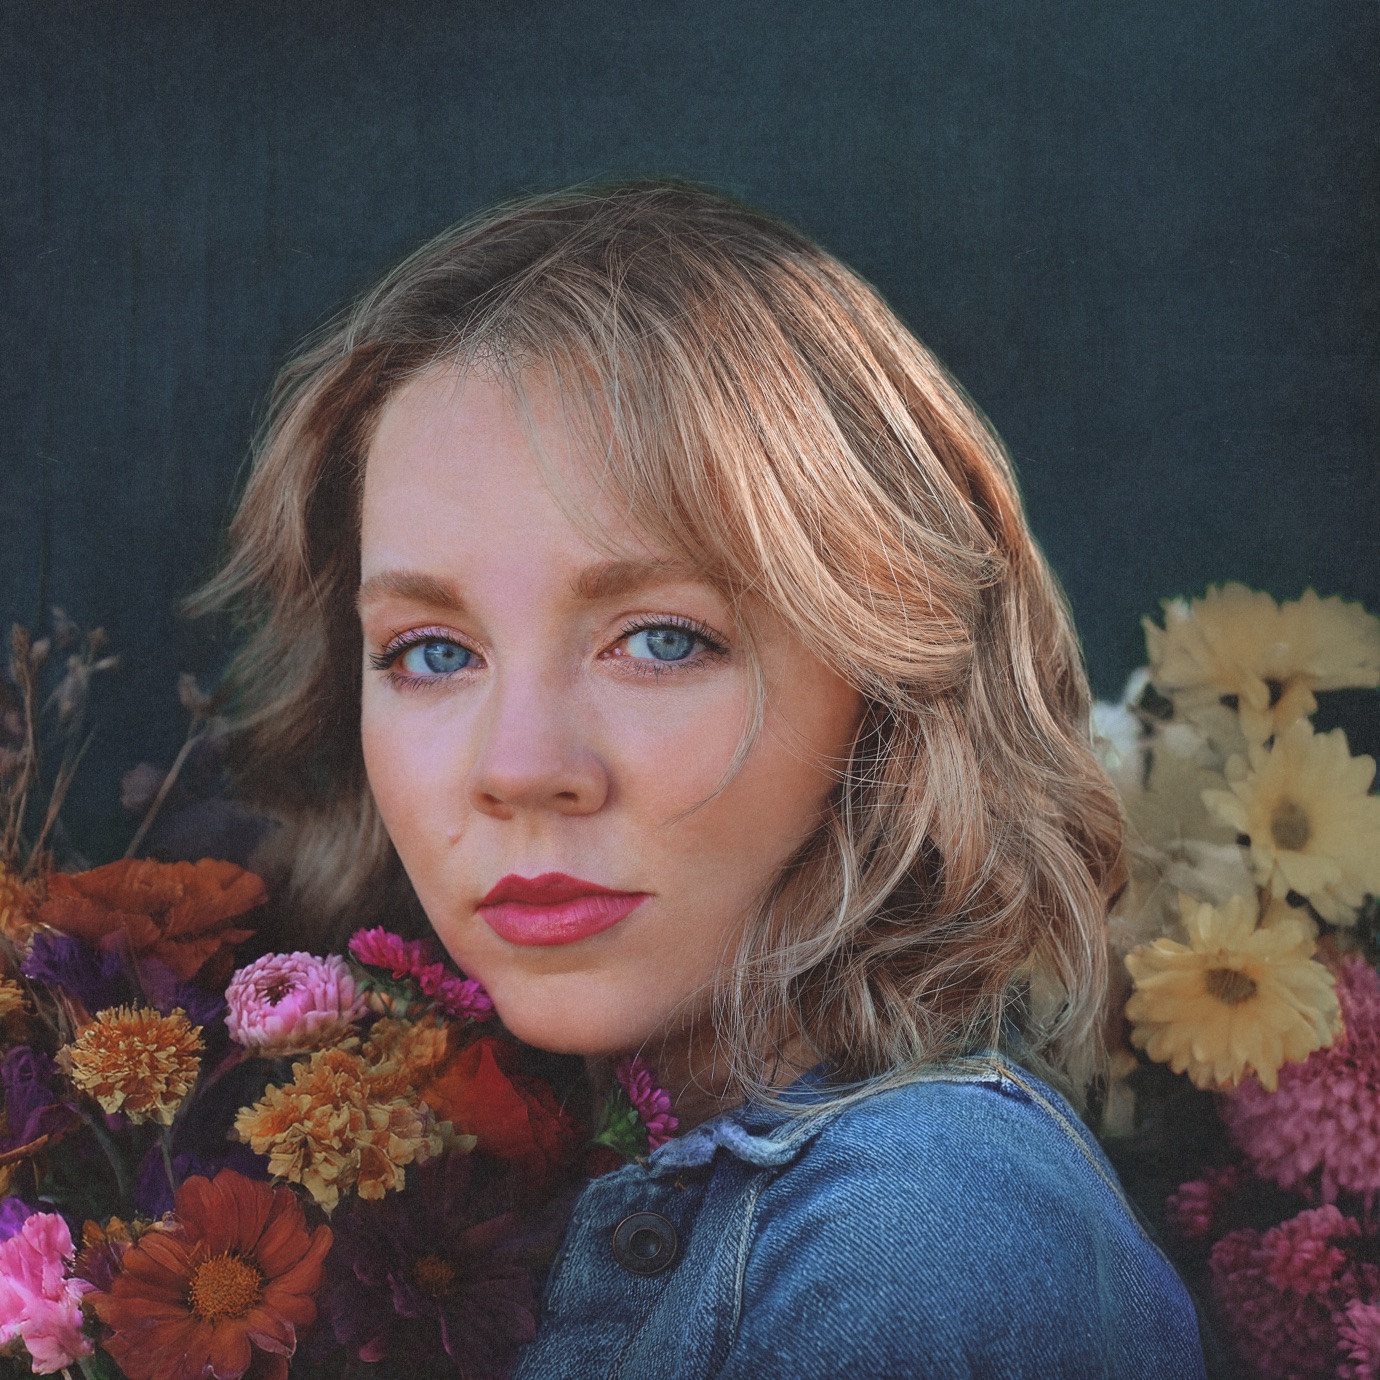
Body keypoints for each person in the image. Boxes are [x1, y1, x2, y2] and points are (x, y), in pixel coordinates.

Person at [197, 181, 1207, 1378]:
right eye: (432, 653)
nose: (521, 770)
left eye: (662, 640)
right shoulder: (444, 1185)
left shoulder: (916, 1241)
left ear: (886, 679)